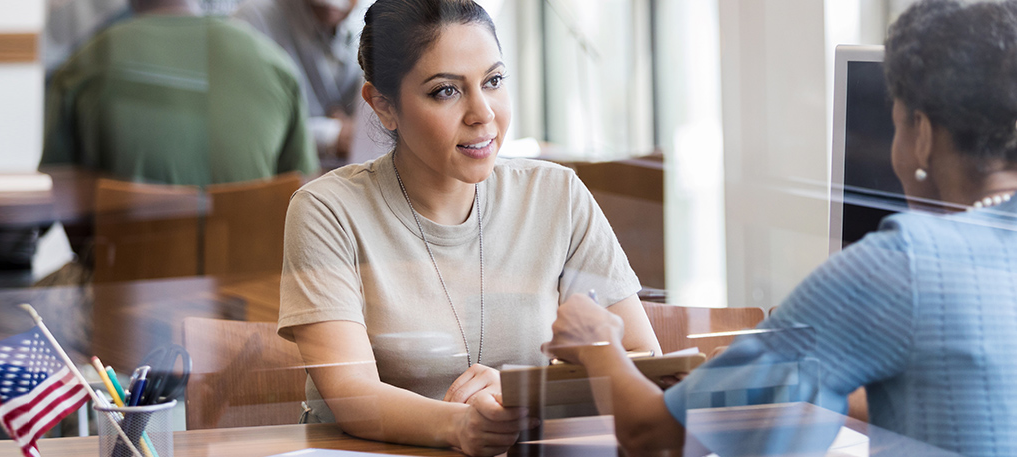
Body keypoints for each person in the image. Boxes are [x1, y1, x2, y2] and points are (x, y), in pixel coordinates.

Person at [545, 1, 1017, 455]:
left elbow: (655, 437)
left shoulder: (900, 266)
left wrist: (600, 344)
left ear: (923, 134)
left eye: (894, 125)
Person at [278, 1, 661, 455]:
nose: (483, 114)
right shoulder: (327, 210)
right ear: (383, 105)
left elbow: (641, 361)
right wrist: (461, 426)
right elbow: (350, 392)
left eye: (493, 81)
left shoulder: (556, 195)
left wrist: (522, 390)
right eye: (446, 91)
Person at [40, 0, 319, 187]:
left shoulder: (85, 64)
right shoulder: (276, 65)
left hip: (125, 272)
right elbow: (304, 191)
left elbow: (57, 195)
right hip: (252, 274)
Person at [234, 0, 364, 164]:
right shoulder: (254, 20)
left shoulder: (365, 25)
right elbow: (246, 129)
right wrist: (329, 135)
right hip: (281, 181)